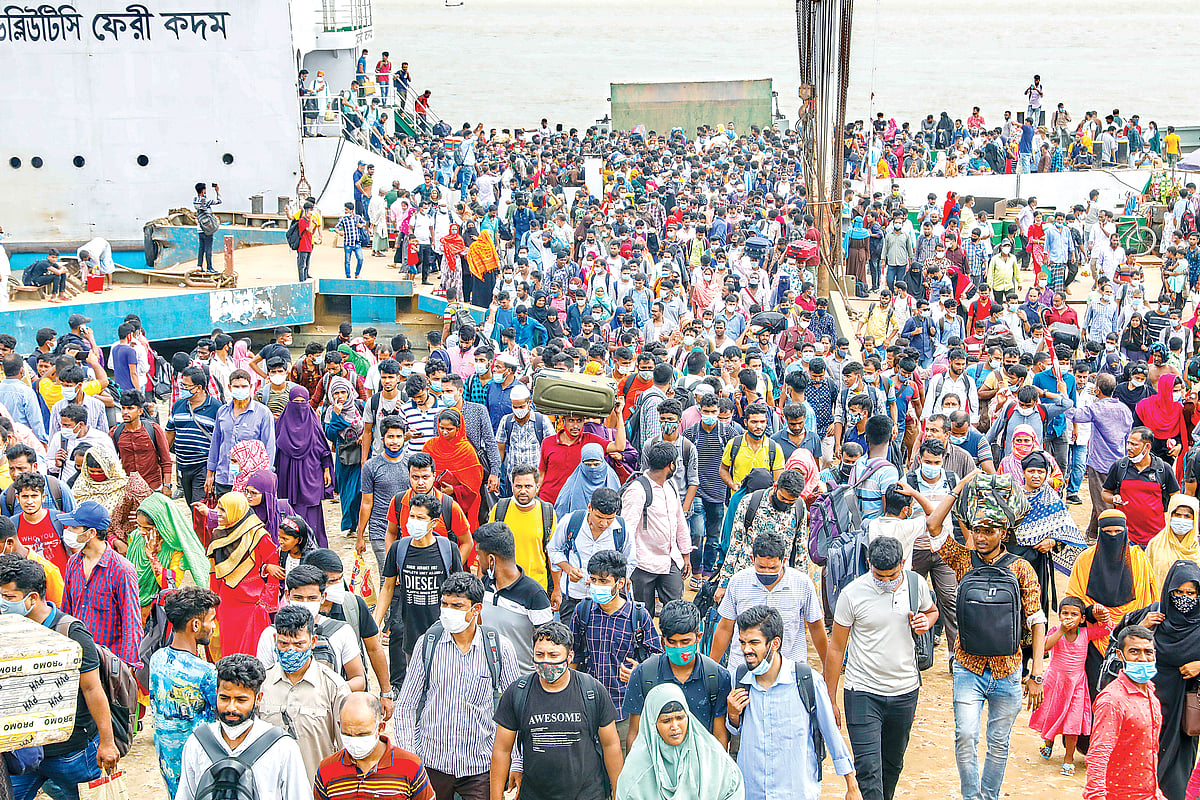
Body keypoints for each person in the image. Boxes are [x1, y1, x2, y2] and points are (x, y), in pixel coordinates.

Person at [919, 472, 1046, 800]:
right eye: (977, 530)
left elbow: (1037, 620)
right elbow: (933, 525)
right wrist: (960, 487)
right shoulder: (963, 559)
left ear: (1003, 532)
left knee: (999, 743)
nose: (982, 537)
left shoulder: (1021, 569)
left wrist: (1037, 674)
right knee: (965, 735)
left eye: (989, 531)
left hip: (1009, 669)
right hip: (967, 666)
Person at [825, 536, 936, 800]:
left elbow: (932, 611)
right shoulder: (851, 594)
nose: (885, 581)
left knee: (892, 767)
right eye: (879, 575)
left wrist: (926, 622)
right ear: (868, 565)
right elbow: (837, 648)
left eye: (891, 575)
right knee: (868, 772)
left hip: (905, 691)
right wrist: (830, 698)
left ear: (904, 563)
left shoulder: (916, 584)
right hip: (862, 692)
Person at [395, 572, 520, 800]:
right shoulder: (428, 644)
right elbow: (405, 706)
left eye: (457, 605)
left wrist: (516, 762)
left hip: (480, 765)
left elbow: (517, 711)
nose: (448, 611)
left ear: (476, 609)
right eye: (445, 604)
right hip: (431, 762)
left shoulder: (499, 649)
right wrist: (410, 758)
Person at [726, 604, 858, 800]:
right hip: (752, 791)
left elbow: (831, 733)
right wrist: (733, 715)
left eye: (754, 643)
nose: (747, 650)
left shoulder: (807, 681)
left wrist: (851, 785)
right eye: (743, 643)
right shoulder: (740, 679)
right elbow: (735, 731)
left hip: (795, 791)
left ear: (775, 643)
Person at [491, 621, 624, 800]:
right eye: (540, 654)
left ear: (569, 657)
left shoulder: (592, 690)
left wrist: (619, 792)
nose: (546, 661)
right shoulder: (518, 692)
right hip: (535, 793)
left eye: (553, 655)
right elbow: (502, 749)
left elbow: (611, 746)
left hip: (587, 794)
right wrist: (495, 796)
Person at [175, 654, 309, 800]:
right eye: (224, 698)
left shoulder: (282, 747)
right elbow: (185, 794)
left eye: (241, 700)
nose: (231, 707)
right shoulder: (197, 743)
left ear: (258, 699)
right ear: (216, 694)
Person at [1066, 509, 1161, 704]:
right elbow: (1073, 602)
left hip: (1133, 641)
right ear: (1099, 533)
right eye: (1107, 532)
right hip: (1095, 640)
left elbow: (1150, 601)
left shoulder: (1139, 561)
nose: (1113, 537)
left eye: (1118, 532)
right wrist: (1091, 612)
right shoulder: (1084, 560)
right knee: (1094, 695)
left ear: (1126, 532)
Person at [571, 549, 662, 748]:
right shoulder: (583, 611)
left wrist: (638, 672)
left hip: (623, 711)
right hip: (588, 707)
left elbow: (657, 659)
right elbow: (573, 654)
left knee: (621, 769)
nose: (596, 586)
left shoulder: (638, 616)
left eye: (603, 581)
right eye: (593, 580)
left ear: (620, 583)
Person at [258, 604, 351, 783]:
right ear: (275, 640)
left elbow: (344, 748)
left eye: (299, 644)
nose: (290, 651)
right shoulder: (262, 684)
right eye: (283, 644)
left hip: (316, 787)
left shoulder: (334, 687)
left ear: (313, 641)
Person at [710, 532, 826, 673]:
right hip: (744, 669)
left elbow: (816, 627)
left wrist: (827, 666)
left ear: (783, 562)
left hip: (788, 671)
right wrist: (712, 668)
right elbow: (725, 628)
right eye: (761, 567)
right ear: (752, 559)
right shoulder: (738, 582)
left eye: (772, 568)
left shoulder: (802, 584)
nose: (767, 572)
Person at [622, 600, 731, 749]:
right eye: (672, 642)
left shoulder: (717, 676)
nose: (678, 648)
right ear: (662, 641)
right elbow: (635, 733)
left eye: (685, 642)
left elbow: (720, 736)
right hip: (657, 763)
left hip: (701, 764)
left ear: (698, 637)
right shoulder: (644, 675)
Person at [615, 683, 743, 800]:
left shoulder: (712, 756)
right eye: (666, 720)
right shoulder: (636, 770)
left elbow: (733, 789)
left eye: (680, 718)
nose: (675, 727)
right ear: (652, 724)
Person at [150, 586, 220, 797]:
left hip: (167, 761)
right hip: (200, 766)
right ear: (196, 625)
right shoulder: (206, 673)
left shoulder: (157, 659)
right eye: (212, 619)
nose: (214, 626)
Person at [1084, 625, 1163, 800]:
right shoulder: (1112, 700)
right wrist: (1097, 796)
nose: (1142, 659)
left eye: (1148, 652)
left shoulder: (1151, 693)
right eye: (1134, 652)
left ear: (1154, 655)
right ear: (1120, 655)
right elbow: (1099, 754)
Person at [60, 500, 143, 666]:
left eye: (74, 528)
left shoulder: (121, 570)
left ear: (91, 533)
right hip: (78, 659)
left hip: (108, 662)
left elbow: (131, 624)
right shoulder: (73, 564)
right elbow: (66, 611)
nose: (68, 531)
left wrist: (124, 667)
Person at [315, 692, 435, 800]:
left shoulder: (410, 766)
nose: (354, 741)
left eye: (363, 734)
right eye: (347, 734)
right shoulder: (326, 769)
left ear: (380, 728)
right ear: (339, 726)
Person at [207, 491, 279, 658]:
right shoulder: (218, 535)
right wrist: (214, 600)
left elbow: (274, 566)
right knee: (229, 648)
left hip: (252, 602)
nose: (218, 513)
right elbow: (214, 573)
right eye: (218, 508)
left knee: (253, 651)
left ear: (236, 510)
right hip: (227, 601)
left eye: (223, 509)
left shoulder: (258, 535)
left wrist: (267, 600)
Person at [473, 521, 553, 675]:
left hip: (522, 683)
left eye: (478, 554)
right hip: (488, 679)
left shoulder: (534, 594)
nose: (477, 559)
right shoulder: (484, 585)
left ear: (491, 560)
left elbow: (548, 644)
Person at [623, 440, 691, 616]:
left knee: (677, 613)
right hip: (643, 563)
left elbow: (679, 521)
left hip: (671, 560)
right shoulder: (637, 491)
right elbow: (627, 531)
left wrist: (685, 554)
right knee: (642, 616)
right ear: (671, 465)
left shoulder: (671, 486)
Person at [1028, 596, 1090, 777]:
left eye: (1074, 614)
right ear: (1059, 615)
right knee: (1052, 714)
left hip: (1077, 685)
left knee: (1073, 722)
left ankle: (1068, 759)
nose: (1069, 617)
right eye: (1065, 613)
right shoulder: (1056, 630)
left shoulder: (1086, 633)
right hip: (1055, 683)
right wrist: (1061, 630)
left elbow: (1107, 630)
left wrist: (1100, 614)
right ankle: (1048, 741)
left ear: (1082, 618)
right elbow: (1045, 647)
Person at [275, 385, 333, 546]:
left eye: (303, 402)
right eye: (296, 401)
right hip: (287, 474)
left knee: (312, 513)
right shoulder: (281, 424)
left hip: (311, 473)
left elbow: (324, 449)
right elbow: (275, 451)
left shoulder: (313, 422)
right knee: (288, 511)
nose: (300, 405)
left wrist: (327, 469)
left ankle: (315, 548)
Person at [1103, 427, 1180, 547]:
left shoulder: (1163, 469)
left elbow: (1176, 497)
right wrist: (1113, 499)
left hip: (1156, 539)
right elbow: (1105, 493)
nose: (1129, 448)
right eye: (1128, 443)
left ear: (1147, 447)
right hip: (1125, 537)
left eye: (1134, 444)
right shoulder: (1120, 467)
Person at [206, 369, 276, 497]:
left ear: (250, 387)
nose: (240, 389)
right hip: (224, 477)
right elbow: (215, 444)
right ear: (229, 387)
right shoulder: (222, 412)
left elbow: (269, 448)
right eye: (236, 386)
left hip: (249, 482)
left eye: (244, 386)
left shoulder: (263, 413)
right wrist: (210, 473)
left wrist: (266, 477)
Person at [72, 448, 152, 547]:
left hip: (121, 542)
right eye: (92, 471)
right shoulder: (81, 485)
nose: (96, 475)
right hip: (86, 540)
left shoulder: (125, 486)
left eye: (100, 472)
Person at [423, 408, 484, 534]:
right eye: (441, 428)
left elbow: (474, 486)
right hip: (434, 501)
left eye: (449, 429)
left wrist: (455, 490)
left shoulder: (466, 450)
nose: (444, 432)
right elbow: (422, 473)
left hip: (462, 507)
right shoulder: (430, 446)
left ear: (458, 428)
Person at [166, 366, 220, 505]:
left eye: (186, 386)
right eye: (181, 384)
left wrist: (212, 471)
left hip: (203, 466)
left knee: (199, 505)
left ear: (199, 388)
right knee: (190, 503)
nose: (182, 388)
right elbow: (170, 433)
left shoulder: (215, 408)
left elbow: (221, 440)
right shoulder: (178, 405)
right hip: (183, 466)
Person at [324, 376, 366, 535]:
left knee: (359, 490)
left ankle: (360, 523)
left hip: (361, 454)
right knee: (347, 492)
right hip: (344, 457)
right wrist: (336, 415)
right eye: (336, 393)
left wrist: (364, 437)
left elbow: (370, 426)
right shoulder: (330, 411)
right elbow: (330, 435)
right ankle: (350, 525)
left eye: (343, 392)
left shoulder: (359, 406)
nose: (340, 396)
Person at [112, 389, 172, 491]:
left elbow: (166, 459)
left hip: (153, 486)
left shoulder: (153, 429)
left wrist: (167, 485)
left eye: (130, 408)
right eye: (123, 408)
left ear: (140, 411)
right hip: (128, 487)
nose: (125, 412)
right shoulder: (116, 433)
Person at [1146, 493, 1199, 588]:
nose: (1182, 520)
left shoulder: (1197, 550)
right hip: (1160, 600)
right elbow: (1146, 576)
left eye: (1187, 516)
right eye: (1178, 515)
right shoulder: (1155, 544)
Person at [554, 441, 620, 517]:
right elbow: (561, 510)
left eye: (596, 464)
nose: (592, 468)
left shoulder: (612, 479)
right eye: (588, 465)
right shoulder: (572, 483)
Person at [193, 182, 221, 274]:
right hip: (207, 228)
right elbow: (219, 201)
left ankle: (199, 267)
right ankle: (209, 268)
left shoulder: (195, 200)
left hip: (200, 228)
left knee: (201, 248)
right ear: (203, 190)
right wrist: (217, 192)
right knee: (208, 248)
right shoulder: (206, 200)